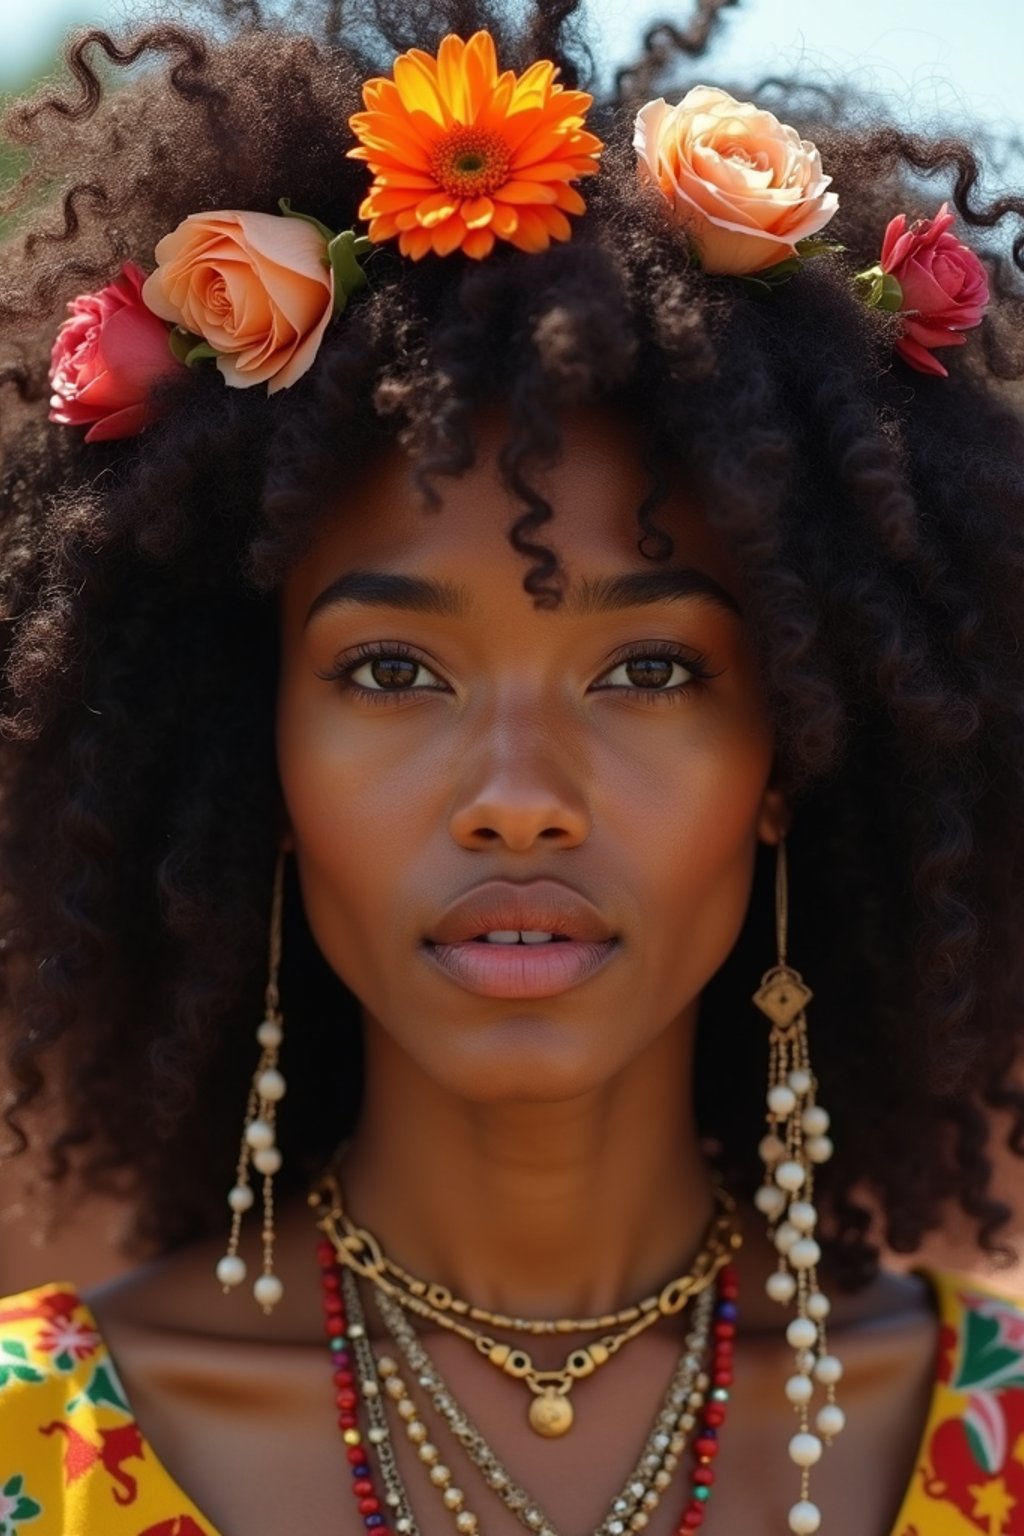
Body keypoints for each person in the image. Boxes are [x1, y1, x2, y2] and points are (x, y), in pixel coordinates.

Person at [1, 1, 1023, 1532]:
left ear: (792, 754)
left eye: (653, 669)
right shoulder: (32, 1449)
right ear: (252, 747)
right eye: (393, 671)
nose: (519, 789)